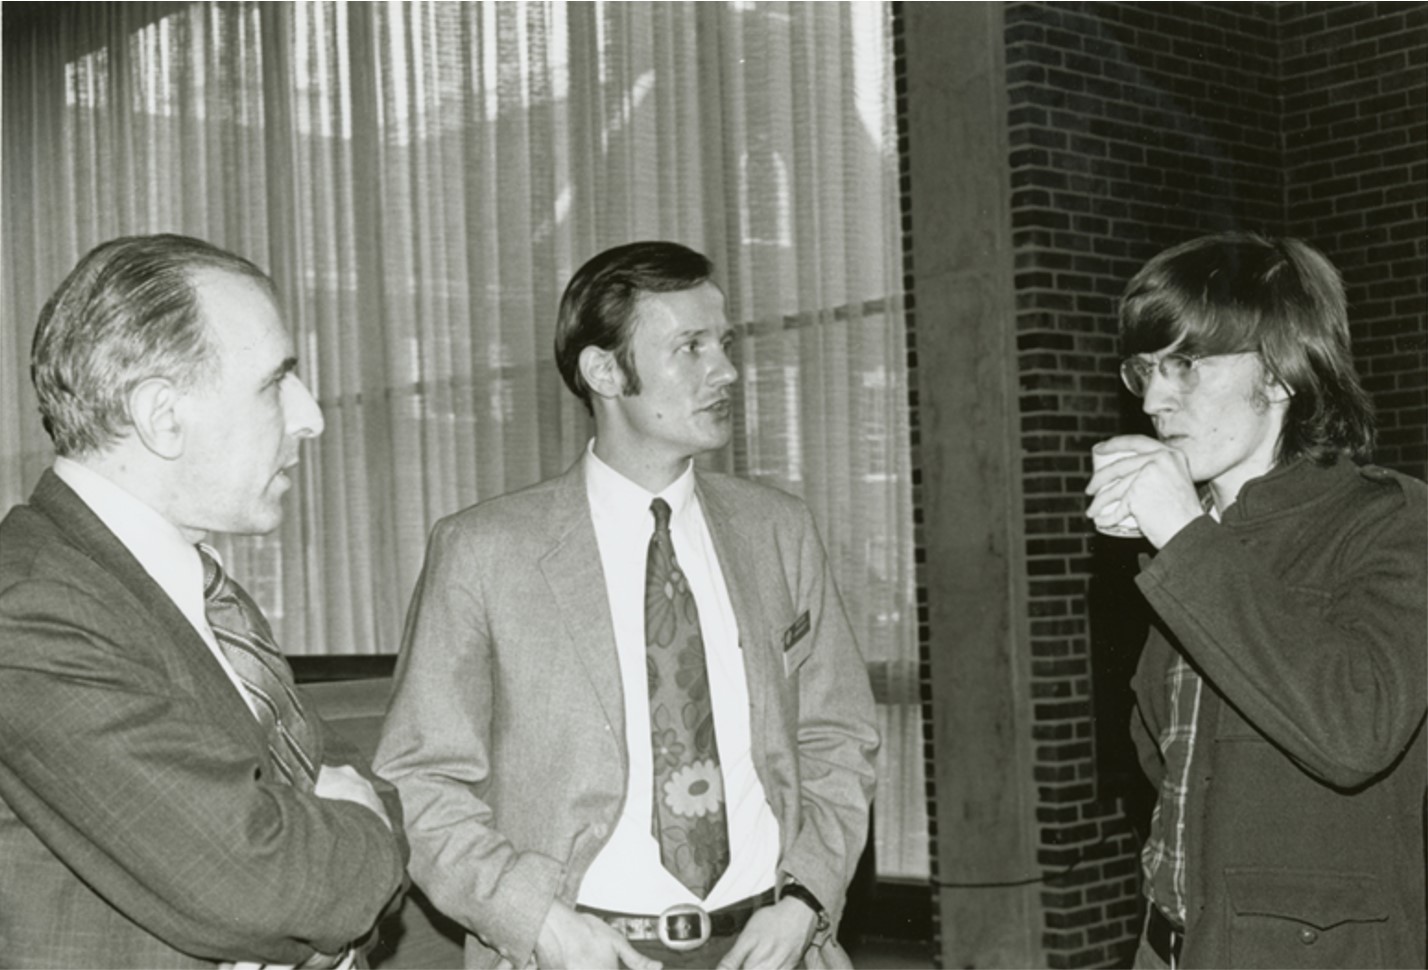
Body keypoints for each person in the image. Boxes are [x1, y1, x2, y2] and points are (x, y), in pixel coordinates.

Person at [374, 241, 879, 970]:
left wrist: (806, 899)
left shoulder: (779, 530)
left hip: (770, 948)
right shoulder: (483, 551)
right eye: (690, 347)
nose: (727, 371)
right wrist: (537, 921)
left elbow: (837, 736)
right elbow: (419, 779)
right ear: (604, 371)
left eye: (725, 343)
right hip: (577, 953)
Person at [0, 234, 407, 968]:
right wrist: (340, 866)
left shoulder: (185, 583)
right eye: (277, 381)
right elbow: (263, 881)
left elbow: (351, 792)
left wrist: (331, 884)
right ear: (161, 415)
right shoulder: (29, 609)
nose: (310, 415)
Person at [1085, 232, 1427, 969]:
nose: (1150, 399)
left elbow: (1354, 731)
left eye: (1183, 366)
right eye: (1143, 369)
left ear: (1276, 373)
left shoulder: (1392, 520)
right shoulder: (1199, 538)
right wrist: (1170, 542)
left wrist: (1181, 535)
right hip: (1169, 945)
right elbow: (1164, 756)